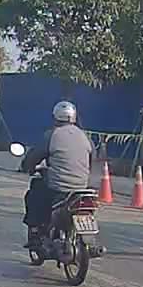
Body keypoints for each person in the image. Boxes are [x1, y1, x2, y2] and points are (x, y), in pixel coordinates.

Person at [20, 101, 93, 247]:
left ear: (55, 117)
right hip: (81, 187)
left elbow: (35, 155)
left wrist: (27, 167)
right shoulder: (85, 136)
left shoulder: (52, 135)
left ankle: (35, 230)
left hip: (59, 187)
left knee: (34, 191)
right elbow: (91, 159)